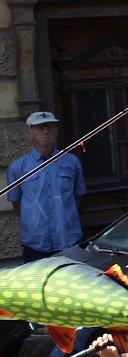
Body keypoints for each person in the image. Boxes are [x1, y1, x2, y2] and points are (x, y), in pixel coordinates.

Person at [6, 111, 86, 262]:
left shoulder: (71, 162)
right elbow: (17, 203)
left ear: (56, 131)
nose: (45, 131)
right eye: (39, 128)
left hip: (68, 239)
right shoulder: (18, 167)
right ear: (30, 133)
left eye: (50, 127)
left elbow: (77, 197)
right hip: (35, 243)